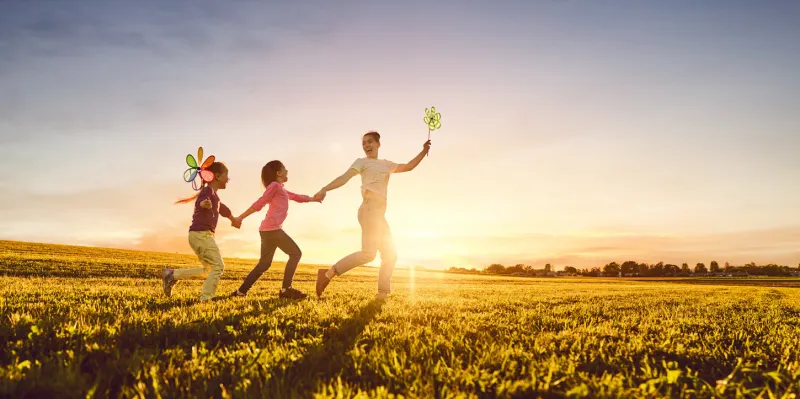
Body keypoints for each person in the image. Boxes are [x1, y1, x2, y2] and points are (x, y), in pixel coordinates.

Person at [314, 131, 431, 299]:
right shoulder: (361, 163)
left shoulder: (386, 164)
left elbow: (409, 166)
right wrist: (325, 189)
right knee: (369, 254)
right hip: (369, 209)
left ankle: (382, 295)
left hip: (378, 213)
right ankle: (328, 274)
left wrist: (423, 151)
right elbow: (344, 178)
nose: (366, 145)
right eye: (364, 143)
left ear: (378, 144)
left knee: (390, 254)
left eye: (369, 142)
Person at [231, 160, 323, 299]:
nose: (287, 171)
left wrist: (313, 199)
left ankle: (240, 292)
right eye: (285, 169)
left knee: (264, 264)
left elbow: (297, 197)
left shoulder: (281, 189)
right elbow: (260, 203)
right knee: (295, 253)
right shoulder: (274, 186)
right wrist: (241, 217)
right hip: (273, 230)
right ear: (279, 173)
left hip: (267, 230)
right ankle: (286, 290)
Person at [162, 161, 239, 302]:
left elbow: (223, 209)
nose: (228, 179)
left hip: (199, 235)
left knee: (208, 271)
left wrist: (233, 219)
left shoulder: (214, 195)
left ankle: (172, 275)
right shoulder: (207, 191)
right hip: (201, 234)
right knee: (218, 266)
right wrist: (203, 204)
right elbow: (202, 201)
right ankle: (205, 299)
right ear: (217, 176)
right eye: (226, 175)